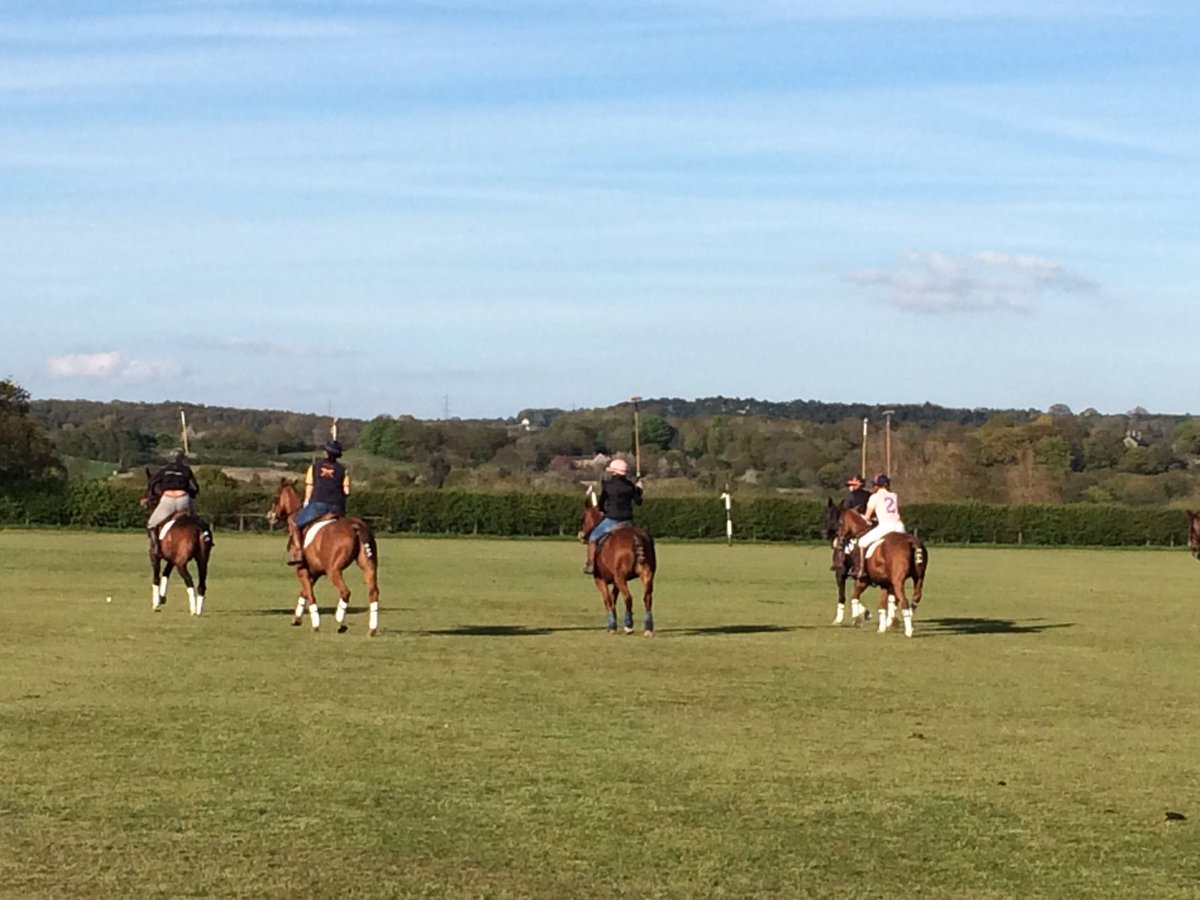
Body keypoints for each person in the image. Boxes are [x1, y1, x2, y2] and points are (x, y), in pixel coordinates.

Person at [287, 440, 350, 565]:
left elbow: (309, 486)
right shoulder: (343, 470)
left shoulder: (314, 467)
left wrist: (306, 502)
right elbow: (347, 491)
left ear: (325, 453)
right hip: (338, 507)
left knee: (295, 524)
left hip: (318, 504)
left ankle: (298, 552)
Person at [583, 457, 643, 575]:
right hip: (628, 521)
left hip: (612, 520)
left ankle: (591, 565)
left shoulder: (607, 485)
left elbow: (602, 501)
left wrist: (601, 509)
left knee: (592, 538)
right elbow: (639, 502)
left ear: (614, 471)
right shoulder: (631, 486)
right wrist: (639, 490)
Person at [849, 473, 906, 578]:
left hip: (885, 526)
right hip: (899, 526)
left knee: (862, 543)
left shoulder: (874, 497)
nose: (873, 487)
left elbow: (867, 517)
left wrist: (867, 519)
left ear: (877, 486)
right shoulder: (894, 495)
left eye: (874, 485)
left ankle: (861, 570)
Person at [146, 450, 200, 558]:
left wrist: (151, 494)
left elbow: (152, 483)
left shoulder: (164, 470)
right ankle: (203, 542)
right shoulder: (186, 470)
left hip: (168, 501)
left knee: (151, 524)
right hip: (184, 500)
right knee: (197, 522)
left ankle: (156, 548)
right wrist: (192, 494)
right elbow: (195, 487)